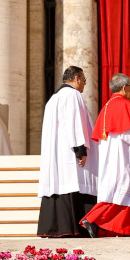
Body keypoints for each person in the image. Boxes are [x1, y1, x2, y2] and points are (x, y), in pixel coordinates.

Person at [37, 67, 99, 238]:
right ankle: (77, 227)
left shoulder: (53, 99)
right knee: (74, 183)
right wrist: (81, 150)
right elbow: (75, 123)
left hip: (58, 153)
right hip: (70, 153)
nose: (84, 85)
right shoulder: (72, 96)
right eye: (84, 80)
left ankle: (57, 228)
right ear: (77, 78)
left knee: (60, 184)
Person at [80, 73, 130, 238]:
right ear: (125, 88)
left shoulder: (107, 106)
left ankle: (124, 230)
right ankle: (93, 219)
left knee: (119, 192)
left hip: (111, 156)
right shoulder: (123, 104)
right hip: (123, 156)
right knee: (123, 190)